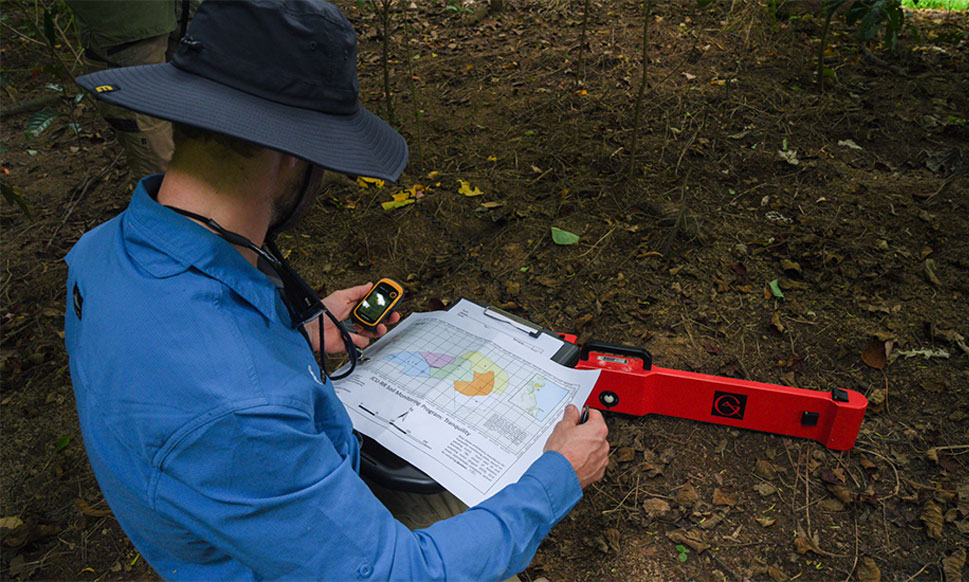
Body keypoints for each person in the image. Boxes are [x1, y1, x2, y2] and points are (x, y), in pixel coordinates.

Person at [64, 1, 610, 580]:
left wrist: (293, 337)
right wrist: (557, 479)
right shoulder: (243, 409)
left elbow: (175, 370)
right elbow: (397, 573)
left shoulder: (101, 252)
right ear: (294, 155)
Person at [66, 0, 199, 179]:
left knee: (197, 120)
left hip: (179, 15)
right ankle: (173, 203)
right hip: (129, 24)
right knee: (152, 130)